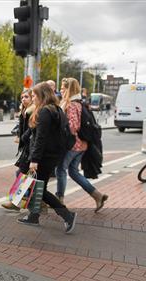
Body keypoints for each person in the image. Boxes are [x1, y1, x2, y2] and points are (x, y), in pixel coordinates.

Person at [17, 82, 78, 233]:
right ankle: (34, 215)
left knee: (39, 189)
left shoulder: (45, 111)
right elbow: (39, 133)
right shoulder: (56, 109)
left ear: (42, 95)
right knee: (37, 187)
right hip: (52, 156)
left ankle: (67, 215)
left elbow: (41, 138)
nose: (32, 98)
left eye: (34, 95)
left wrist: (34, 160)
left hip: (44, 157)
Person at [56, 77, 108, 211]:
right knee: (73, 172)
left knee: (60, 169)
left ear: (69, 89)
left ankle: (59, 199)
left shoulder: (72, 105)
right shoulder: (80, 103)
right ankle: (97, 195)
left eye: (63, 88)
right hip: (82, 145)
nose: (61, 90)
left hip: (73, 145)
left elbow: (73, 127)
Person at [1, 88, 34, 210]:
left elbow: (31, 130)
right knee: (25, 175)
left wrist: (22, 138)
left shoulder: (32, 112)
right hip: (27, 147)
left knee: (21, 174)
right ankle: (26, 202)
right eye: (22, 97)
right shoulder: (24, 111)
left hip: (31, 148)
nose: (24, 99)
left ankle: (15, 202)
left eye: (27, 97)